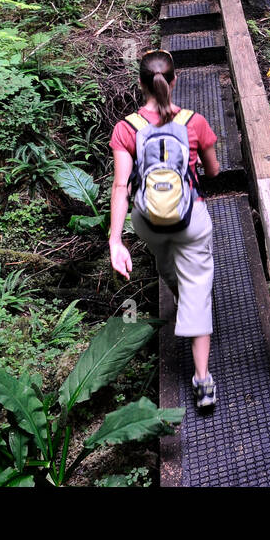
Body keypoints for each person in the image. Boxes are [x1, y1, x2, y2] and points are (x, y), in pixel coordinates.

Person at [107, 49, 221, 409]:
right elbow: (214, 172)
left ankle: (175, 287)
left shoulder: (126, 128)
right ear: (175, 80)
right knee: (198, 288)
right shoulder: (195, 122)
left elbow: (121, 186)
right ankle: (203, 381)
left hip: (149, 222)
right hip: (190, 219)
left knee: (164, 260)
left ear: (140, 85)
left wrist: (115, 240)